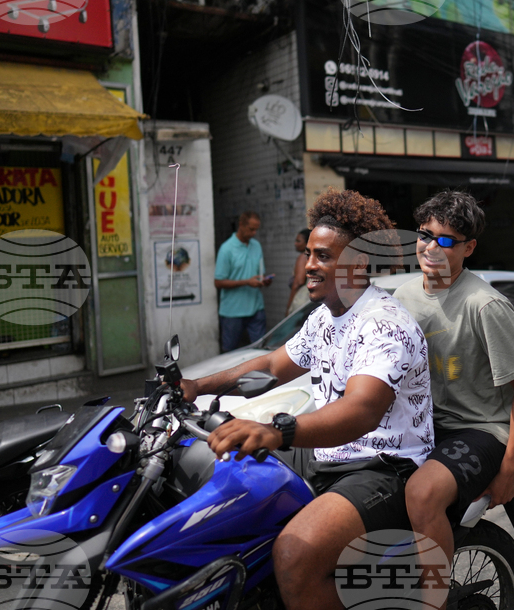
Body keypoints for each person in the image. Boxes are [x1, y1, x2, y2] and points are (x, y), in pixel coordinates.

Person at [181, 189, 433, 610]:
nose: (309, 265)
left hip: (384, 465)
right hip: (327, 453)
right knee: (225, 492)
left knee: (294, 556)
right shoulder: (323, 317)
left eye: (323, 256)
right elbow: (271, 366)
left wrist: (276, 430)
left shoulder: (384, 324)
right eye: (310, 254)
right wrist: (197, 386)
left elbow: (361, 410)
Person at [393, 190, 514, 603]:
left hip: (480, 430)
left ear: (468, 248)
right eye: (425, 235)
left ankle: (433, 601)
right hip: (424, 427)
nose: (431, 247)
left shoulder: (485, 304)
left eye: (445, 240)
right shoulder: (402, 297)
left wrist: (508, 469)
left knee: (421, 494)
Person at [214, 211, 272, 352]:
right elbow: (218, 282)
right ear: (241, 225)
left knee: (260, 349)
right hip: (233, 312)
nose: (254, 233)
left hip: (256, 307)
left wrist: (263, 281)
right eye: (251, 229)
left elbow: (258, 274)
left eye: (256, 229)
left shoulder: (256, 245)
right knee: (230, 351)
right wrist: (246, 282)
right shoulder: (227, 249)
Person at [285, 228, 311, 316]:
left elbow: (298, 283)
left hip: (301, 303)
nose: (295, 243)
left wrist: (288, 307)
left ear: (307, 243)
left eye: (298, 241)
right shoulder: (313, 257)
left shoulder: (303, 257)